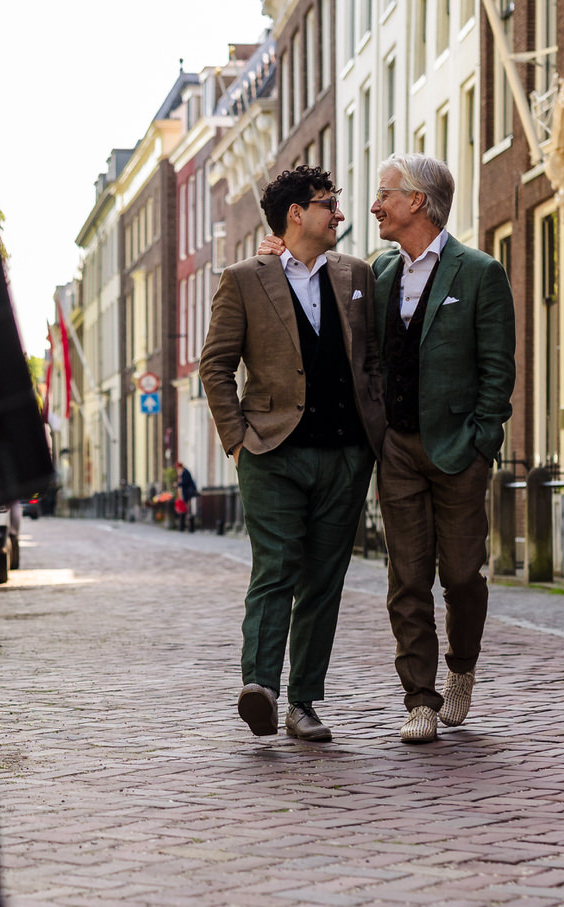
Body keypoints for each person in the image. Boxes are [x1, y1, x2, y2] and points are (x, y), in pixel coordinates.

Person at [266, 154, 516, 743]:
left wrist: (482, 441)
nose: (373, 206)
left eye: (384, 195)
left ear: (417, 203)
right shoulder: (375, 274)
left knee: (460, 576)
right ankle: (420, 698)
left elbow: (498, 372)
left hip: (460, 451)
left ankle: (461, 669)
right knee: (406, 578)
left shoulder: (480, 272)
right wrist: (274, 253)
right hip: (397, 450)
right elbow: (315, 276)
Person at [199, 165, 384, 743]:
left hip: (347, 457)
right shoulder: (244, 279)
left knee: (325, 580)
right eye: (330, 204)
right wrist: (239, 441)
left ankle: (303, 702)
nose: (341, 215)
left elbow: (374, 358)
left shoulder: (357, 274)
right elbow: (216, 366)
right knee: (276, 569)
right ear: (296, 214)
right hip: (272, 453)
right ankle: (260, 686)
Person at [173, 460, 198, 532]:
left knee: (186, 508)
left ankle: (189, 526)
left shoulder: (185, 472)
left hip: (188, 493)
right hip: (185, 493)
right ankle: (184, 525)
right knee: (184, 508)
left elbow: (185, 482)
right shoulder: (182, 473)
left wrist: (177, 484)